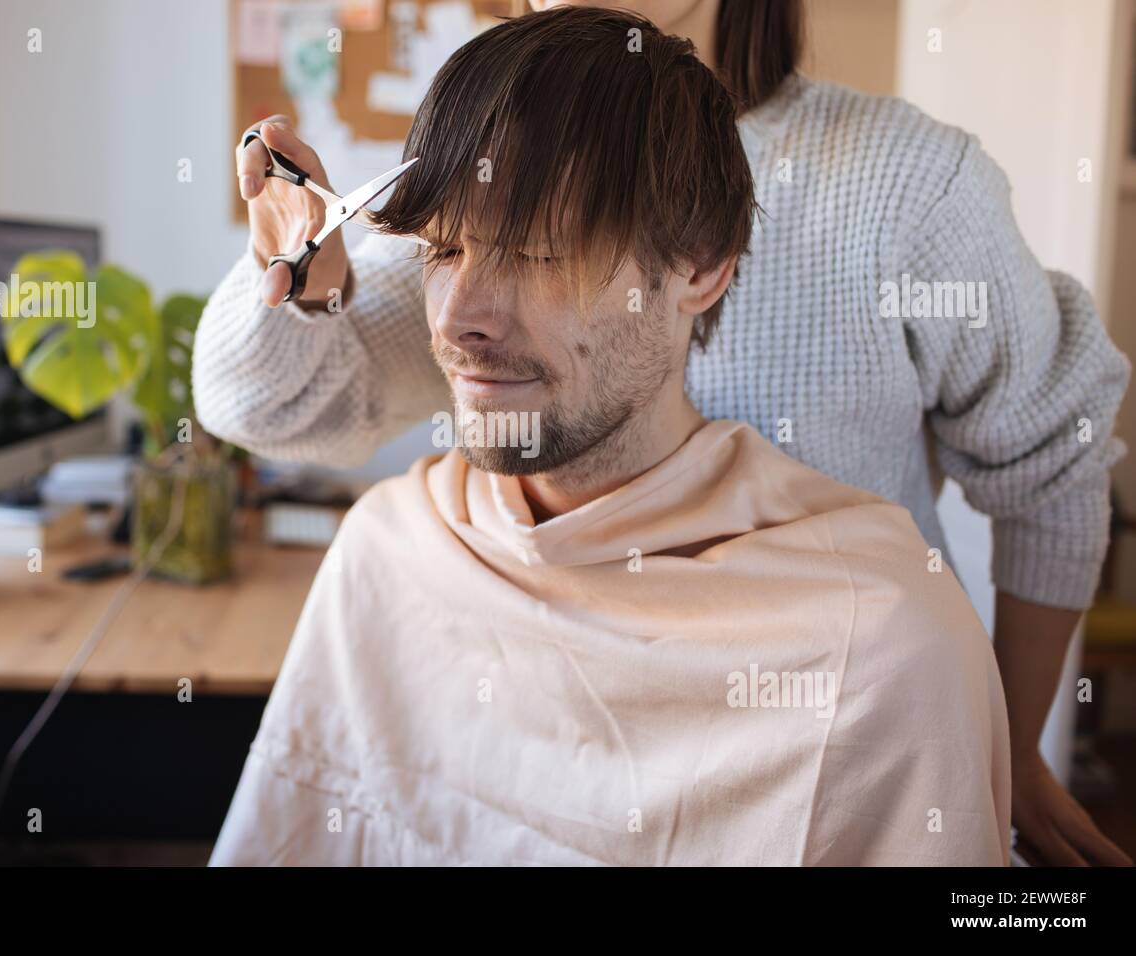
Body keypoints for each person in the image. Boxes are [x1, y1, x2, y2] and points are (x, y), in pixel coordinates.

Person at [194, 0, 1132, 865]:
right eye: (446, 246)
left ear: (705, 268)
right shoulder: (491, 169)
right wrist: (299, 279)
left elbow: (1054, 456)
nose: (461, 312)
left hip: (830, 721)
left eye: (543, 250)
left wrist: (1001, 747)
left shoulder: (907, 182)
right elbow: (267, 404)